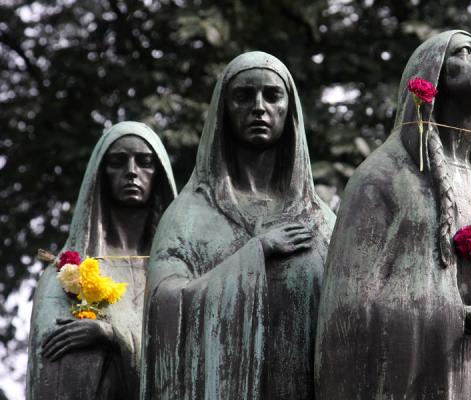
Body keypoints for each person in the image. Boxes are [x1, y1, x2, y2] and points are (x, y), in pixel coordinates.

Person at [315, 30, 471, 399]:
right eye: (465, 51)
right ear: (431, 76)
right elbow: (345, 310)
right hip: (416, 380)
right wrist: (456, 314)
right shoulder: (380, 177)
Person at [141, 51, 334, 400]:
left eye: (272, 95)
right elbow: (162, 304)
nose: (258, 107)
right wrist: (254, 255)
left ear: (290, 110)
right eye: (243, 95)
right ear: (223, 111)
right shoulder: (188, 214)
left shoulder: (320, 219)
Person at [27, 121, 177, 400]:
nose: (131, 172)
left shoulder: (178, 268)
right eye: (117, 162)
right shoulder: (65, 274)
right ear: (100, 175)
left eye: (144, 162)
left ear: (158, 175)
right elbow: (49, 366)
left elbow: (194, 351)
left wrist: (110, 334)